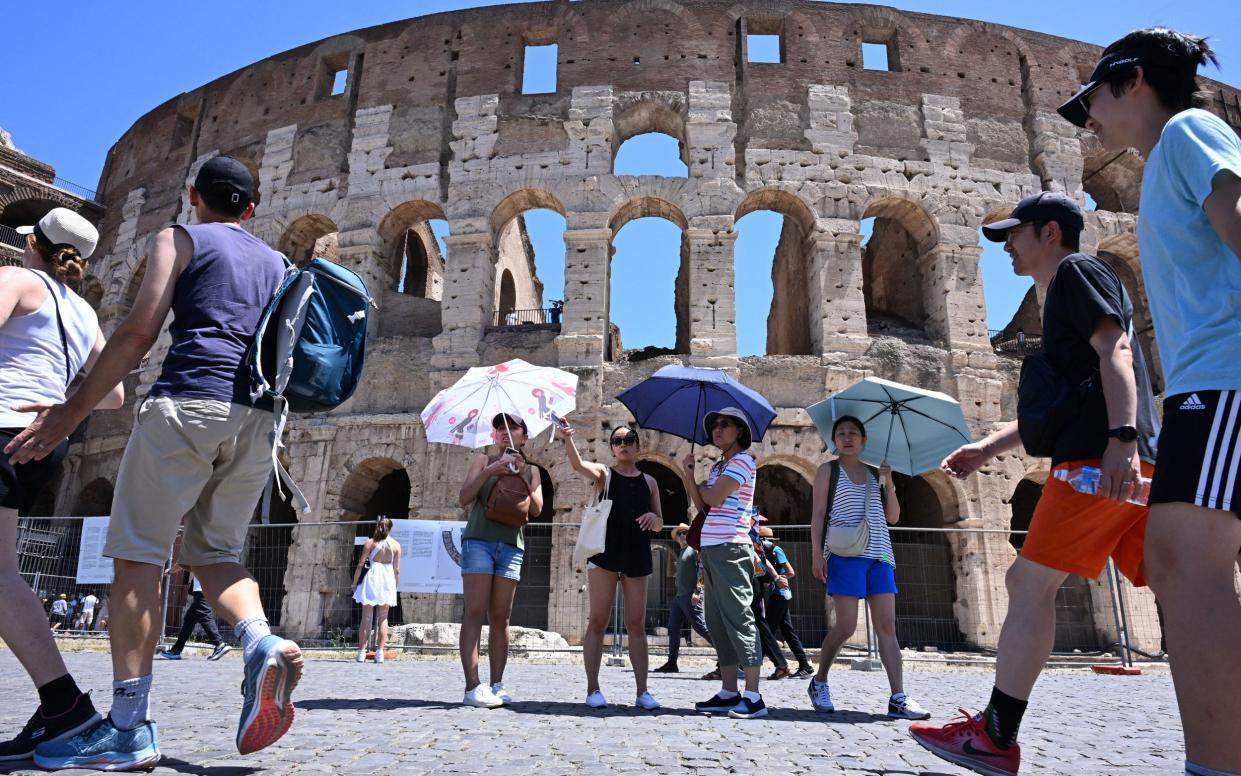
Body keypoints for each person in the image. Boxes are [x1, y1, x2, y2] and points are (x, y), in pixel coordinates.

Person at [7, 156, 302, 769]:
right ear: (251, 208)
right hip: (259, 419)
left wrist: (67, 412)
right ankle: (260, 641)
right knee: (216, 553)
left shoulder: (181, 236)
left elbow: (140, 332)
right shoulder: (279, 263)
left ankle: (126, 724)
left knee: (138, 559)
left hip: (188, 402)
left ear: (194, 196)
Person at [910, 192, 1159, 776]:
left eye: (1014, 236)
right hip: (1122, 458)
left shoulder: (1076, 272)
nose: (1007, 249)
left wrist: (1121, 437)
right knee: (1181, 584)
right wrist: (987, 447)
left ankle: (996, 735)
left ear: (1050, 233)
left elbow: (1116, 349)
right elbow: (1062, 404)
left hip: (1098, 464)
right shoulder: (1063, 297)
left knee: (1027, 582)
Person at [1058, 29, 1241, 776]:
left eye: (1091, 100)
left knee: (1180, 564)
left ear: (1130, 81)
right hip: (1207, 383)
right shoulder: (1168, 155)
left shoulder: (1190, 131)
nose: (1089, 120)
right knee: (1181, 563)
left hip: (1225, 379)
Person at [0, 207, 122, 761]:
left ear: (32, 245)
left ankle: (65, 706)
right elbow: (114, 395)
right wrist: (60, 407)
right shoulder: (83, 314)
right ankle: (61, 705)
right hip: (46, 442)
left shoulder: (17, 279)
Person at [808, 416, 930, 721]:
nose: (847, 438)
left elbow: (893, 517)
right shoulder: (828, 471)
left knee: (887, 627)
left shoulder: (877, 471)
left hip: (880, 554)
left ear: (864, 441)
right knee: (846, 627)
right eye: (841, 433)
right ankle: (820, 679)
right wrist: (815, 553)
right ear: (834, 440)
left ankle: (898, 697)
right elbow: (819, 513)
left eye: (853, 433)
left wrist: (890, 484)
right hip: (844, 553)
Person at [563, 422, 663, 710]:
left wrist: (653, 520)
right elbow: (578, 465)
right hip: (605, 552)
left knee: (636, 624)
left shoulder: (650, 482)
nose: (623, 443)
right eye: (617, 440)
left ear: (637, 445)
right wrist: (569, 438)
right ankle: (593, 688)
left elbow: (659, 520)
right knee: (597, 620)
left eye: (629, 439)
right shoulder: (604, 475)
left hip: (636, 552)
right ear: (611, 447)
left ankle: (642, 691)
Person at [681, 406, 767, 719]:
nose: (717, 430)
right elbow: (701, 503)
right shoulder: (720, 467)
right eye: (715, 425)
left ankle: (754, 696)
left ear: (740, 432)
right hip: (712, 548)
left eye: (725, 425)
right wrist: (691, 476)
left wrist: (707, 490)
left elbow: (714, 499)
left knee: (739, 618)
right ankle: (729, 691)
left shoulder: (743, 461)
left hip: (731, 547)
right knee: (717, 622)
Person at [457, 413, 543, 708]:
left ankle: (497, 684)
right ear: (494, 436)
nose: (505, 432)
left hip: (510, 545)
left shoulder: (532, 471)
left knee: (500, 617)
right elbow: (464, 497)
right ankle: (472, 686)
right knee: (475, 611)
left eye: (513, 427)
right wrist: (492, 468)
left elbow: (537, 510)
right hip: (479, 540)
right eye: (500, 428)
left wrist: (518, 473)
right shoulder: (482, 461)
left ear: (524, 436)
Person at [653, 523, 712, 674]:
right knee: (673, 629)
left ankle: (728, 656)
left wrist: (698, 591)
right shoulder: (682, 552)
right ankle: (672, 662)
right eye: (679, 534)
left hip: (691, 595)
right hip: (679, 597)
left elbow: (702, 570)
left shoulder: (693, 550)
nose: (682, 536)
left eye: (685, 533)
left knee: (701, 627)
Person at [758, 527, 814, 678]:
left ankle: (753, 665)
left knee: (767, 631)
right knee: (788, 632)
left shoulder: (776, 550)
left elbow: (791, 571)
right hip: (776, 594)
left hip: (780, 594)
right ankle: (805, 665)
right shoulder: (764, 551)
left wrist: (779, 579)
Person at [351, 516, 401, 664]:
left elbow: (360, 564)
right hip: (387, 580)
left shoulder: (371, 543)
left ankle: (361, 652)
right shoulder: (396, 545)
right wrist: (395, 586)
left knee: (366, 617)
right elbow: (397, 570)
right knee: (383, 618)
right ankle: (379, 653)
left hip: (372, 578)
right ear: (390, 528)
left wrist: (354, 582)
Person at [748, 522, 790, 679]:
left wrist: (776, 577)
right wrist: (776, 577)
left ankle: (780, 663)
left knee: (758, 623)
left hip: (750, 582)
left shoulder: (749, 535)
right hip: (750, 581)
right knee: (759, 623)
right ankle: (780, 664)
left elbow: (762, 561)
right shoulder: (749, 534)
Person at [157, 573, 231, 661]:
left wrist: (171, 569)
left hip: (201, 587)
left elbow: (186, 561)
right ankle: (176, 650)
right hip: (209, 586)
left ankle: (219, 644)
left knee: (204, 614)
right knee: (189, 619)